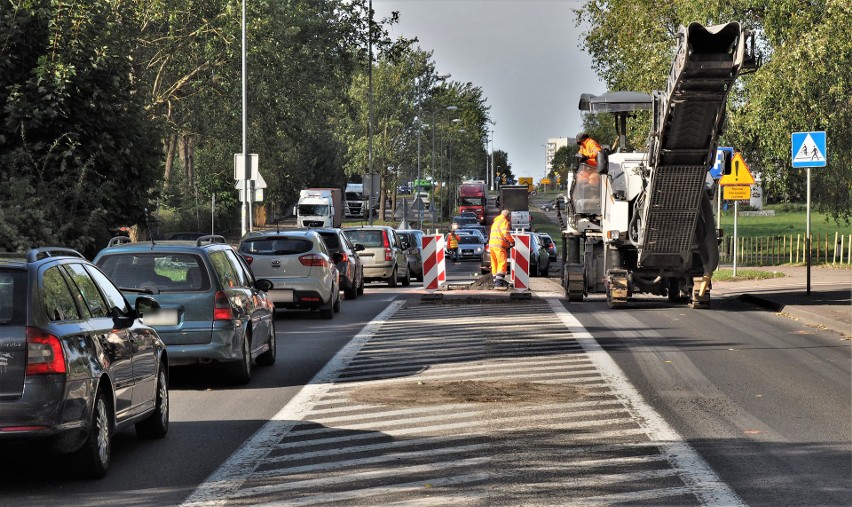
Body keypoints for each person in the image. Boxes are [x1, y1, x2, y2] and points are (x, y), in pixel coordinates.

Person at [489, 209, 514, 289]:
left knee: (494, 263)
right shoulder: (504, 221)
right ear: (508, 216)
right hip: (499, 246)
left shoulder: (495, 222)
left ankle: (495, 280)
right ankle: (499, 283)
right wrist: (511, 241)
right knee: (502, 262)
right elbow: (505, 233)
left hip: (492, 245)